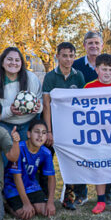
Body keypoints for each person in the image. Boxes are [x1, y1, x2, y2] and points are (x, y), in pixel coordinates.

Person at [41, 41, 86, 209]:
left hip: (71, 128)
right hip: (53, 126)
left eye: (71, 56)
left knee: (71, 163)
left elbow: (80, 105)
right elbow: (46, 105)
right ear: (58, 56)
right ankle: (44, 197)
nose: (68, 59)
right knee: (46, 160)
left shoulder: (79, 76)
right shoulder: (50, 76)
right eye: (64, 56)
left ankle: (69, 197)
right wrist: (49, 131)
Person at [84, 53, 111, 213]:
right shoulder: (88, 88)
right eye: (104, 69)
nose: (107, 73)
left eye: (110, 69)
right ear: (96, 69)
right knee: (99, 167)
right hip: (97, 136)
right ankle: (100, 201)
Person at [3, 119, 56, 220]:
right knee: (24, 214)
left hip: (31, 185)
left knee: (45, 211)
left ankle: (32, 203)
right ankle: (7, 205)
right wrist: (26, 203)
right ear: (28, 134)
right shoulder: (19, 148)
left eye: (44, 133)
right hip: (13, 187)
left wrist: (50, 201)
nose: (40, 136)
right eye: (37, 132)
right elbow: (17, 178)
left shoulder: (46, 153)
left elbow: (51, 178)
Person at [0, 46, 43, 138]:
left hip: (29, 123)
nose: (13, 63)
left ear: (21, 63)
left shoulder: (31, 78)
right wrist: (10, 111)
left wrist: (38, 108)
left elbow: (40, 99)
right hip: (5, 124)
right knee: (9, 152)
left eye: (17, 60)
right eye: (9, 59)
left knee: (25, 152)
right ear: (2, 63)